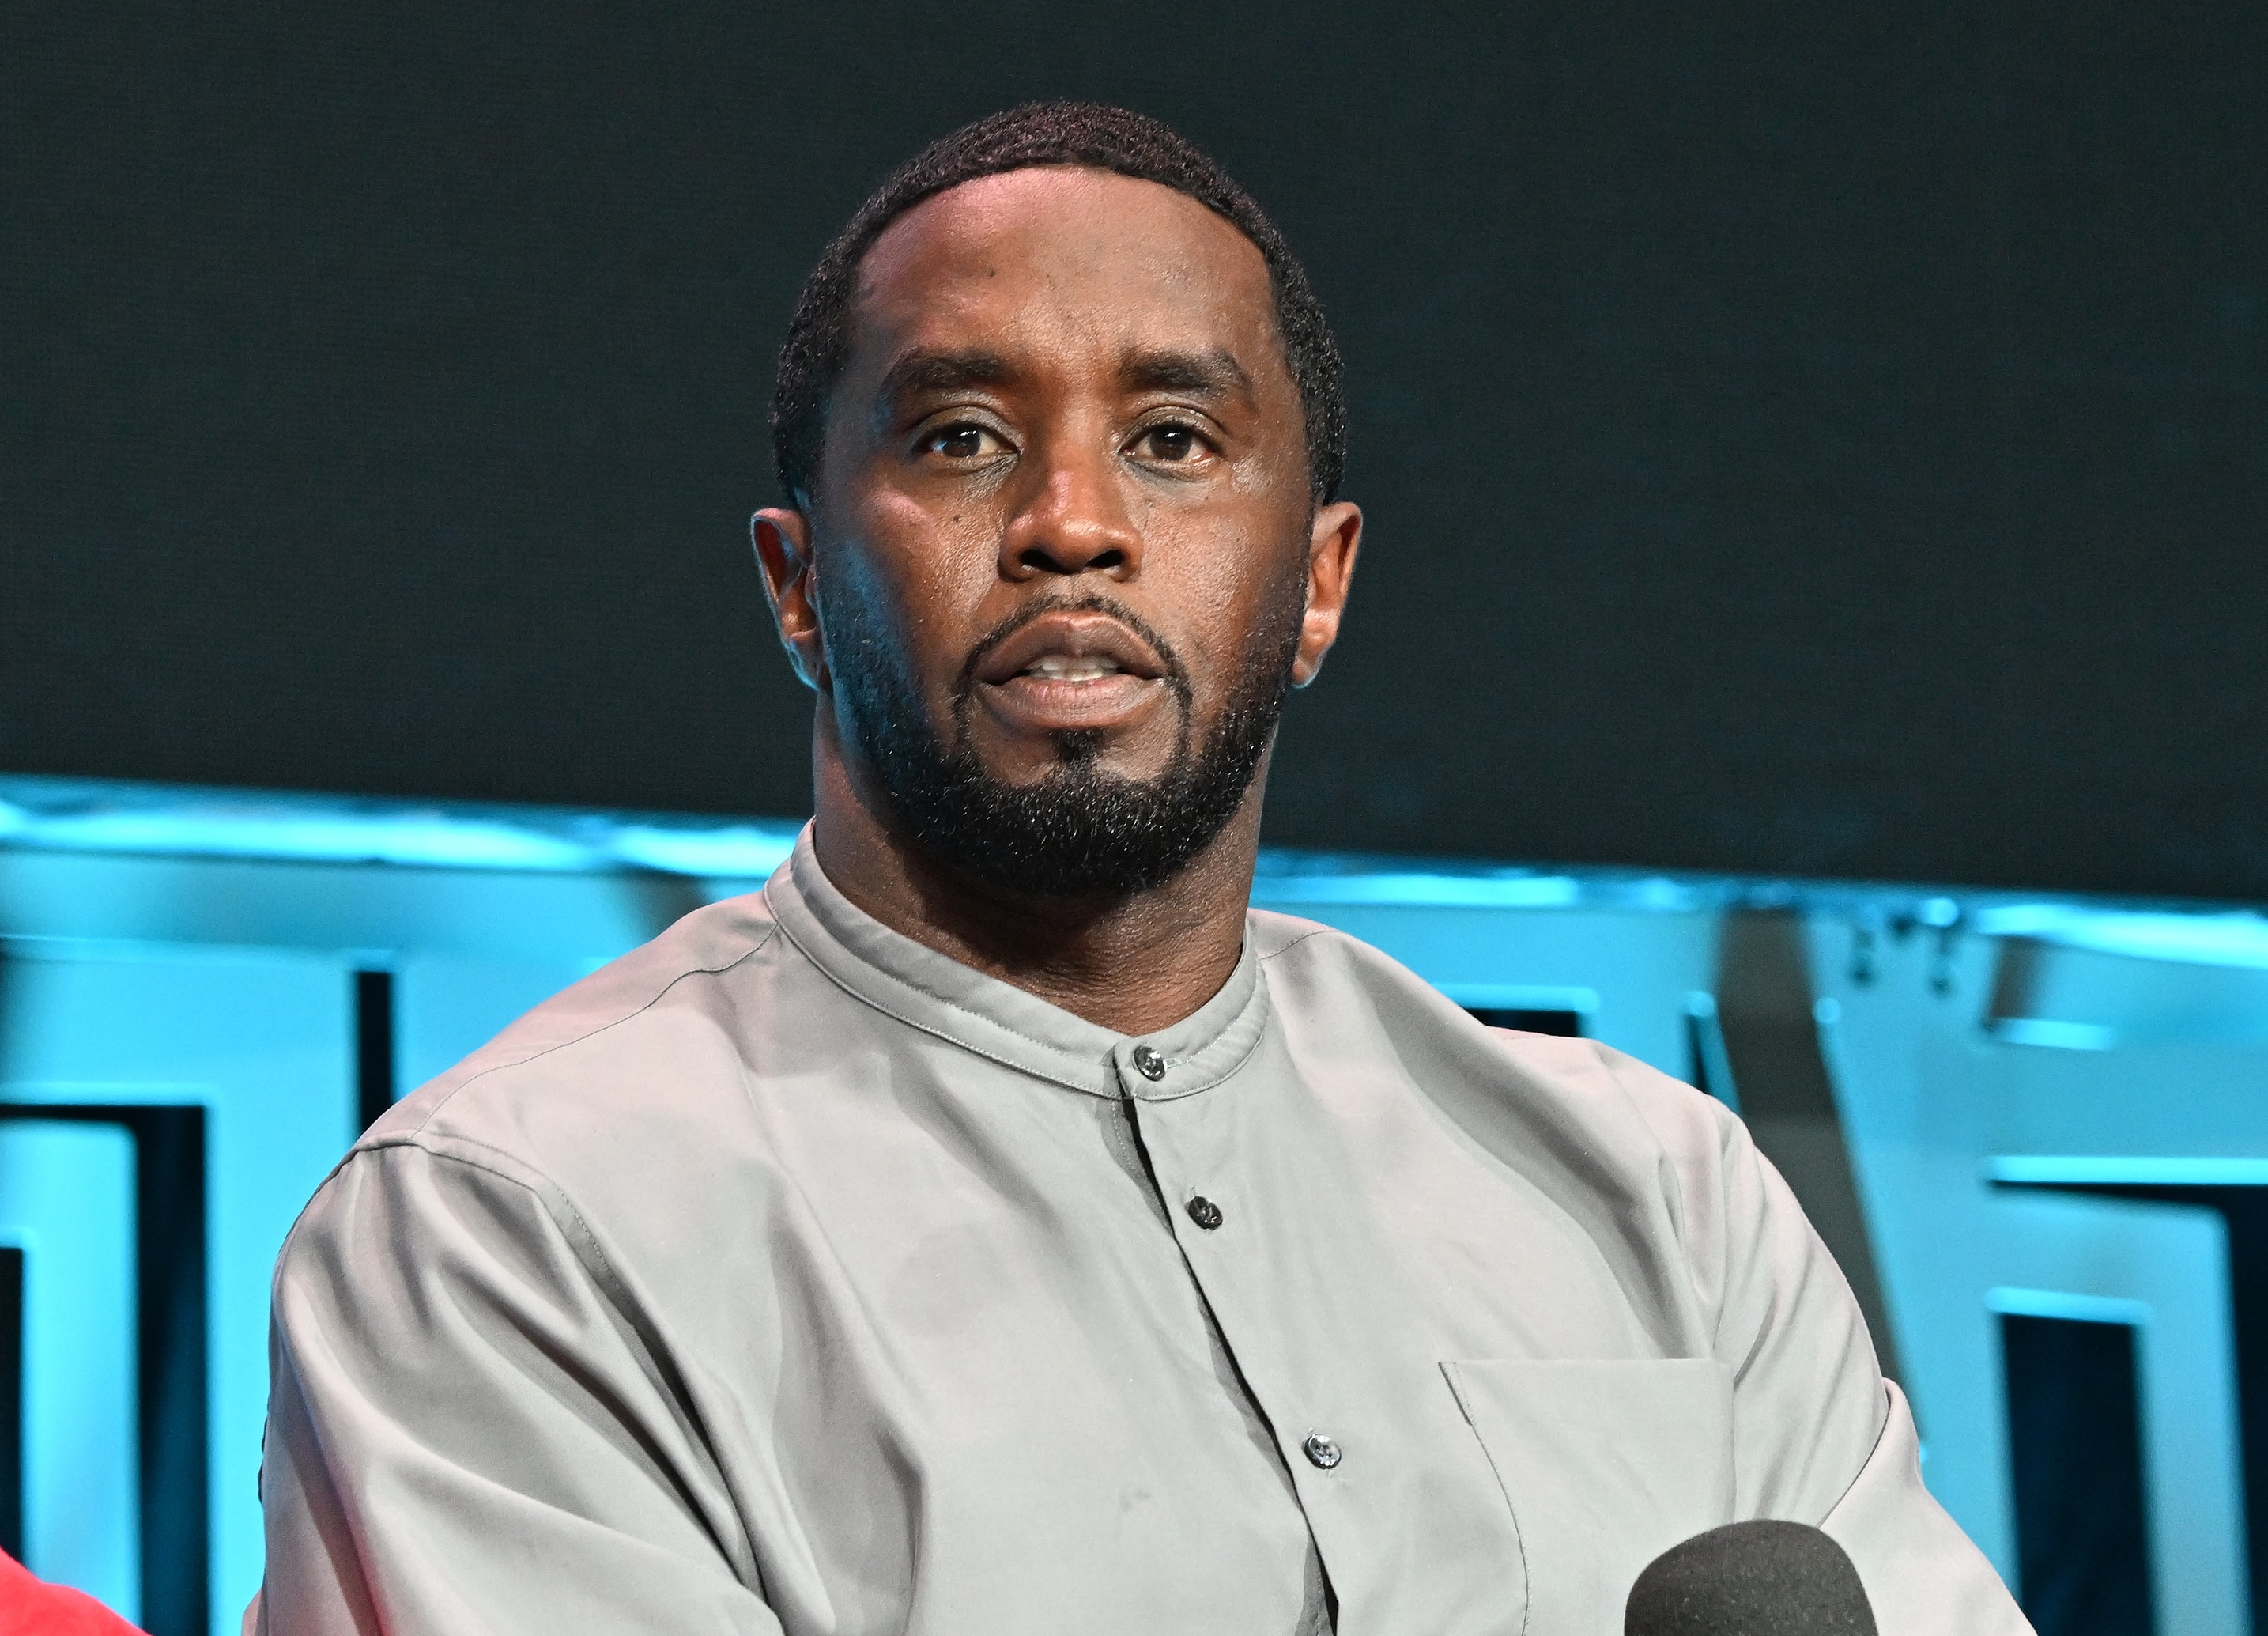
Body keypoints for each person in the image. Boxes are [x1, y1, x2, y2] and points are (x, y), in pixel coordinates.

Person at [255, 103, 2028, 1634]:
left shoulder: (1662, 1204)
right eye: (961, 437)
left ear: (1319, 582)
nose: (1072, 522)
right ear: (798, 584)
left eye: (1174, 442)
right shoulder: (519, 1223)